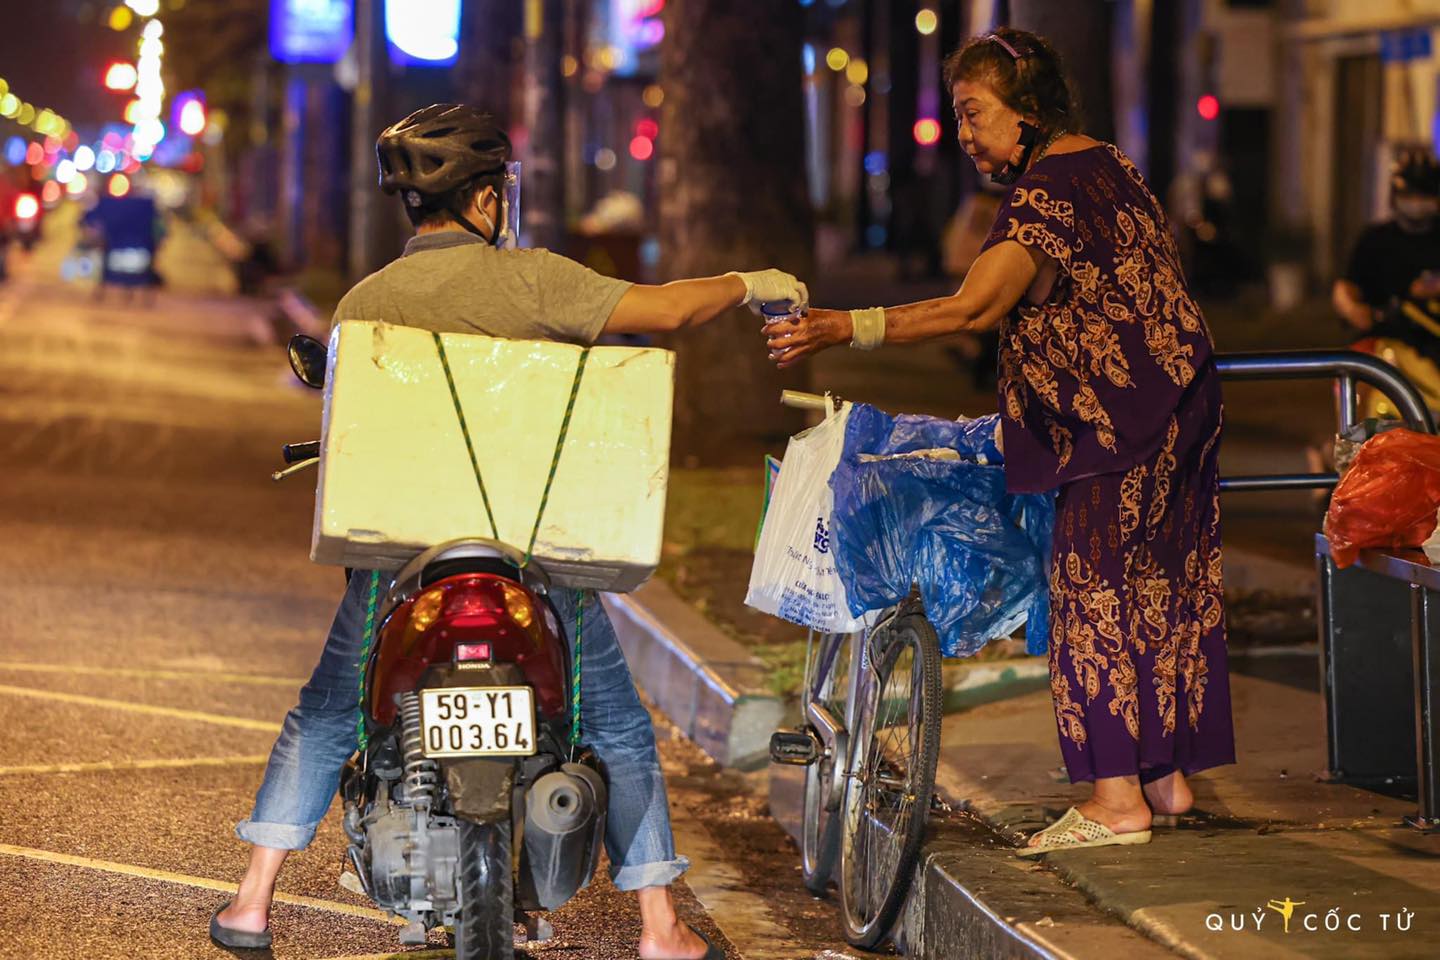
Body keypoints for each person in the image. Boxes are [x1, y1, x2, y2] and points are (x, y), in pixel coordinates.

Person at [212, 103, 806, 959]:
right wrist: (751, 282)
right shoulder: (536, 282)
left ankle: (251, 903)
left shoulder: (365, 302)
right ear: (488, 199)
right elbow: (670, 310)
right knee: (617, 725)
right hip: (538, 559)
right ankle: (660, 927)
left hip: (400, 562)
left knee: (329, 714)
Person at [763, 29, 1234, 855]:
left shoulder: (1046, 194)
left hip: (1114, 423)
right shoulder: (1109, 166)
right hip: (1181, 402)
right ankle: (1165, 780)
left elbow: (973, 307)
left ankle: (1116, 801)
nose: (965, 134)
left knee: (1089, 595)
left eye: (974, 112)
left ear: (1028, 111)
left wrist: (843, 326)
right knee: (1159, 590)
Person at [1333, 147, 1440, 334]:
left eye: (1424, 195)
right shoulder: (1375, 239)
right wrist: (1351, 309)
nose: (1416, 202)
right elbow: (1347, 287)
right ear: (1394, 195)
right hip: (1384, 340)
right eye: (1409, 194)